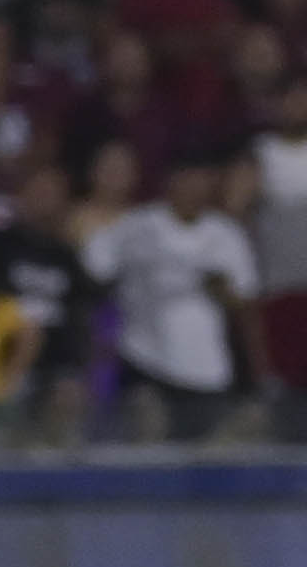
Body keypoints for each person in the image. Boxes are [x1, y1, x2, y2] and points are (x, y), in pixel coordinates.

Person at [80, 151, 262, 442]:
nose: (195, 187)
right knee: (148, 451)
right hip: (143, 361)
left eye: (202, 180)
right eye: (188, 179)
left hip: (206, 370)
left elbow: (243, 300)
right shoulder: (138, 226)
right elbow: (94, 265)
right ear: (171, 182)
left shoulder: (226, 235)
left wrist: (221, 289)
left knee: (196, 462)